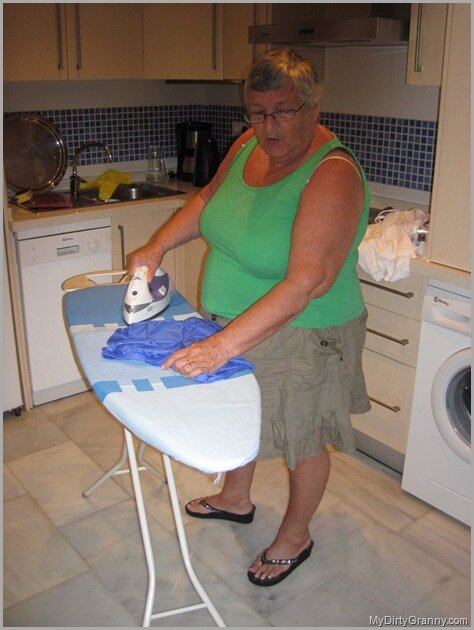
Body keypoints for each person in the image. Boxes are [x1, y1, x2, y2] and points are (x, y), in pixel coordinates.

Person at [127, 48, 371, 587]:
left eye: (282, 111)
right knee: (243, 416)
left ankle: (295, 535)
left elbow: (307, 281)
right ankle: (236, 498)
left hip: (304, 332)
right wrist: (156, 246)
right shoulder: (247, 146)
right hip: (234, 321)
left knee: (301, 437)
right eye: (257, 112)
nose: (268, 125)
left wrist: (220, 347)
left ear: (312, 106)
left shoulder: (332, 173)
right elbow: (208, 200)